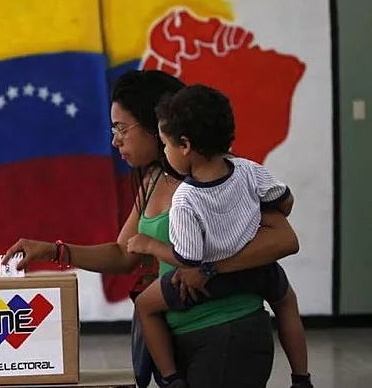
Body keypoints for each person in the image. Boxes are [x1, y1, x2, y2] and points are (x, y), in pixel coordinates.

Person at [1, 69, 301, 388]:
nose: (115, 140)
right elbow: (123, 253)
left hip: (227, 333)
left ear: (156, 127)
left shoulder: (219, 177)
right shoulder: (152, 180)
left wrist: (208, 268)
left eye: (122, 129)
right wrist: (52, 250)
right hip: (179, 337)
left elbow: (284, 238)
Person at [127, 85, 312, 388]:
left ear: (184, 144)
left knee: (145, 306)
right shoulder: (248, 170)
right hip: (257, 273)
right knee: (287, 300)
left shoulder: (186, 197)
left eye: (165, 145)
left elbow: (188, 260)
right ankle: (301, 378)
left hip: (206, 282)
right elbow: (286, 201)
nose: (164, 152)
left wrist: (149, 244)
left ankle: (171, 378)